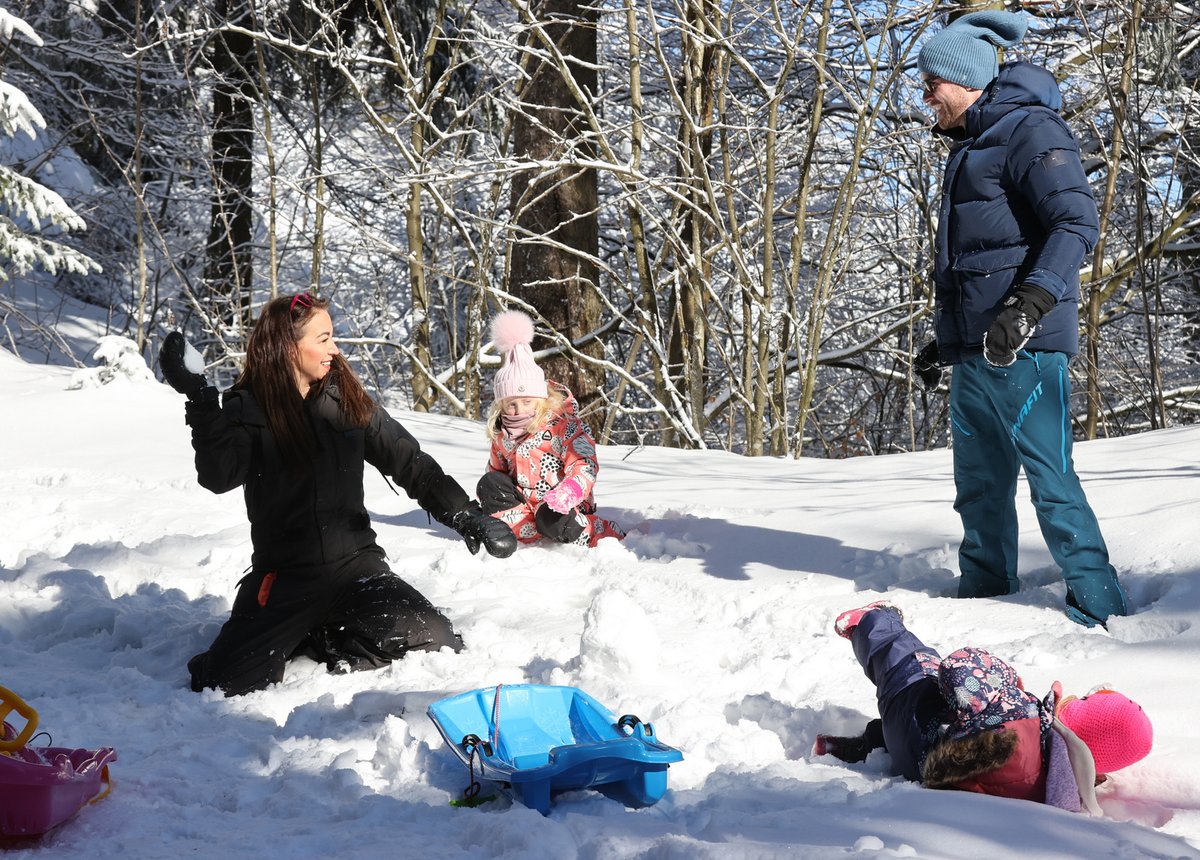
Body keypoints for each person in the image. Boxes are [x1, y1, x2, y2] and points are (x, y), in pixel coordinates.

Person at [158, 292, 517, 696]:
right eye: (323, 338)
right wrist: (201, 399)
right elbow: (219, 475)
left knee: (436, 638)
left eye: (333, 337)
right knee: (224, 683)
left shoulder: (347, 399)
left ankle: (324, 636)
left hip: (356, 568)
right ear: (288, 346)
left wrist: (465, 514)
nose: (335, 348)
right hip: (284, 577)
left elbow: (409, 462)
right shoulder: (248, 408)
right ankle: (298, 628)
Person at [912, 10, 1127, 627]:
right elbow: (976, 258)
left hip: (1025, 344)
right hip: (977, 349)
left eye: (933, 83)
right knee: (977, 488)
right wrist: (945, 340)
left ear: (966, 78)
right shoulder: (972, 143)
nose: (926, 96)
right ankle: (984, 601)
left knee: (1051, 481)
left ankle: (1101, 604)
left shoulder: (1031, 130)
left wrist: (1029, 305)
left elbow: (1076, 223)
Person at [813, 602, 1153, 813]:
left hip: (911, 715)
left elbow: (958, 669)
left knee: (914, 663)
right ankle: (852, 748)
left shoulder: (1021, 716)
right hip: (921, 767)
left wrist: (1002, 678)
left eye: (1082, 701)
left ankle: (872, 620)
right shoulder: (1058, 786)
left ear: (1075, 717)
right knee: (952, 726)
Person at [475, 310, 624, 548]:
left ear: (542, 399)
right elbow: (497, 471)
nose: (518, 410)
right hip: (524, 504)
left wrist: (571, 490)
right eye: (511, 404)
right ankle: (525, 527)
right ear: (500, 405)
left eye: (526, 402)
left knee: (552, 522)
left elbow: (585, 464)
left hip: (561, 504)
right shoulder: (502, 433)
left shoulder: (562, 426)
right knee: (489, 483)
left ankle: (595, 529)